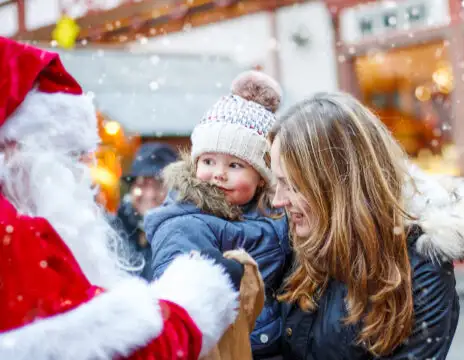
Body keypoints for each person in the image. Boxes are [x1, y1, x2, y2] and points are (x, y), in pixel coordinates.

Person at [0, 36, 243, 360]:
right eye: (69, 158)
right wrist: (198, 294)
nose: (81, 176)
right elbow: (119, 349)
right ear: (15, 150)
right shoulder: (14, 238)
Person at [268, 92, 464, 359]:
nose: (278, 201)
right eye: (278, 183)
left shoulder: (420, 269)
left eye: (293, 186)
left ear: (337, 186)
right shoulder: (294, 237)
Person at [145, 71, 290, 359]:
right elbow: (179, 297)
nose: (218, 175)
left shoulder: (276, 212)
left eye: (235, 165)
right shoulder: (185, 220)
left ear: (262, 177)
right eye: (209, 161)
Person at [115, 142, 178, 280]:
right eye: (141, 184)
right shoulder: (115, 230)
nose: (150, 194)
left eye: (159, 185)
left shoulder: (182, 237)